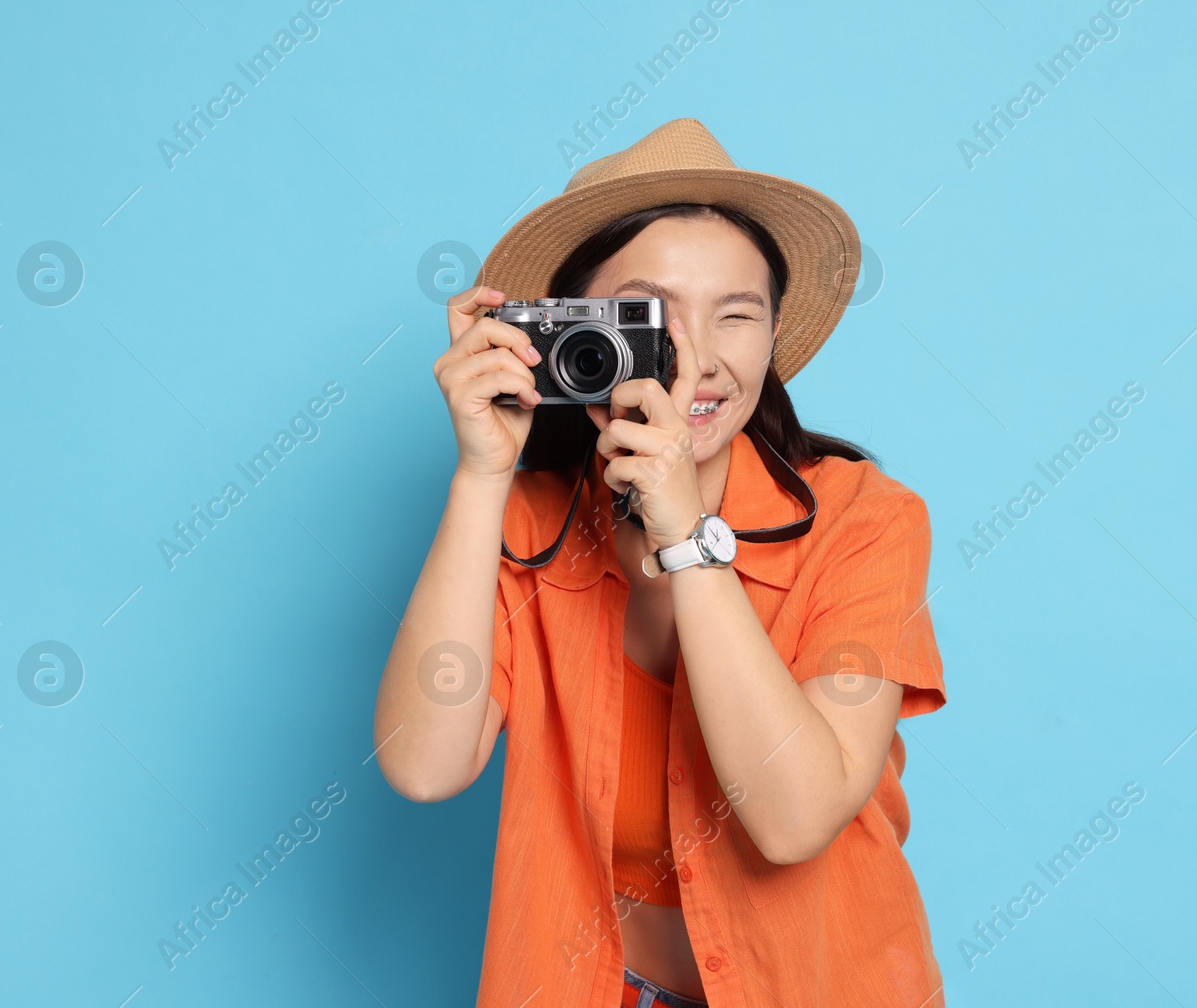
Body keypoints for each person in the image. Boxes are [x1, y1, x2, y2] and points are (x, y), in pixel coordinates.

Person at [373, 118, 948, 1007]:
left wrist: (683, 532)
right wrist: (483, 474)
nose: (698, 358)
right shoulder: (530, 525)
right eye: (652, 317)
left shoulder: (866, 520)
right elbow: (424, 763)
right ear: (578, 330)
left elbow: (794, 818)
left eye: (736, 314)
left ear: (774, 332)